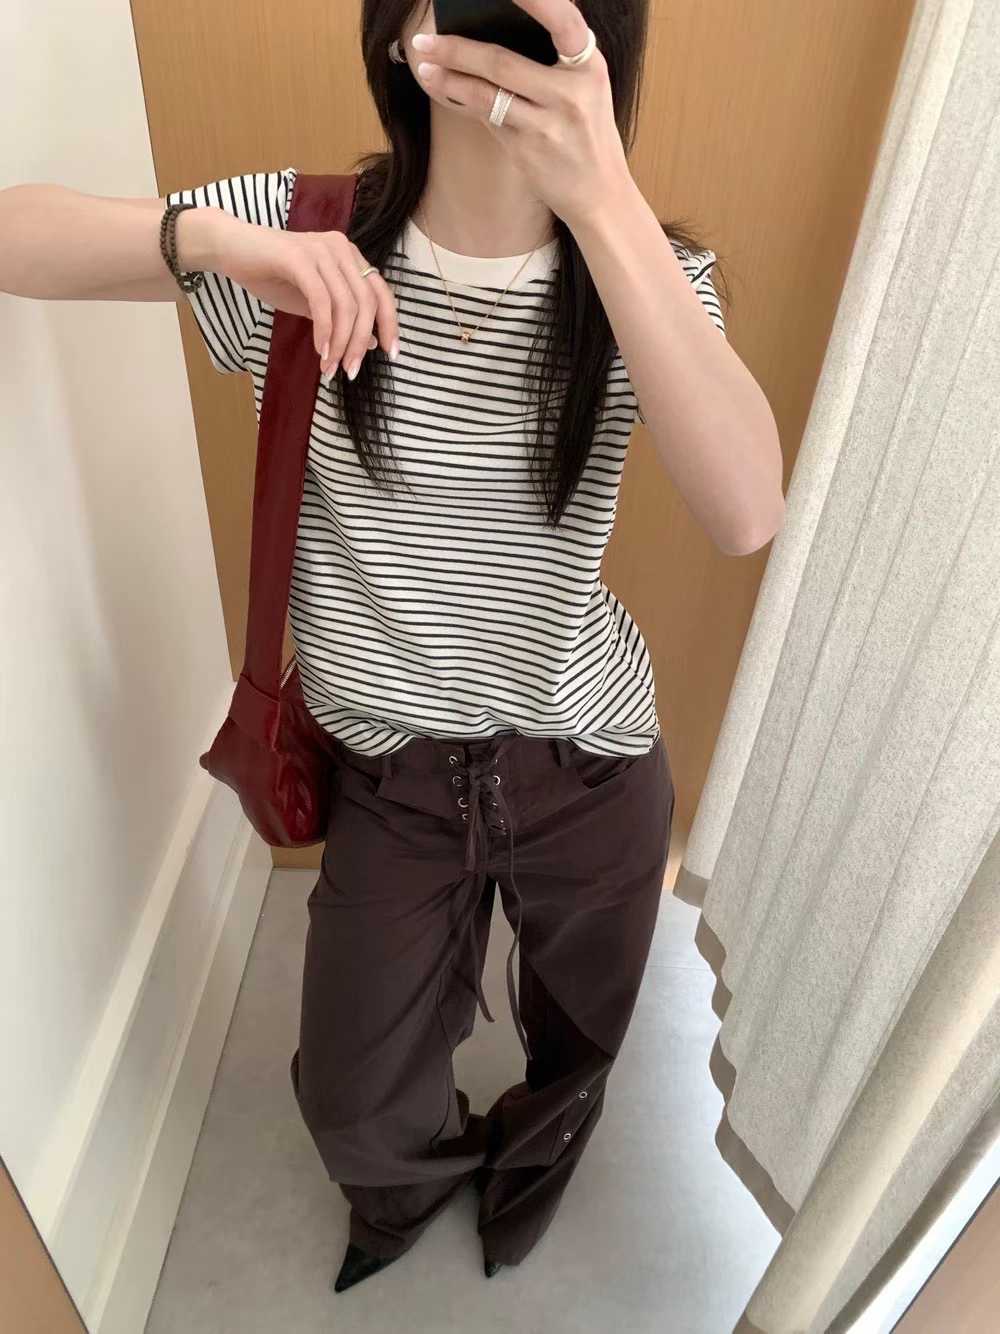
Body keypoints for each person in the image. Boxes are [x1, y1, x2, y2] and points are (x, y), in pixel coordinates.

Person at [0, 0, 783, 1297]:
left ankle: (529, 1174)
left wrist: (602, 194)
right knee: (351, 1092)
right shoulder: (306, 235)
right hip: (394, 776)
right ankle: (408, 1188)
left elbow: (747, 510)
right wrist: (216, 242)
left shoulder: (640, 272)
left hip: (585, 760)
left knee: (582, 1040)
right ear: (400, 26)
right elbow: (14, 234)